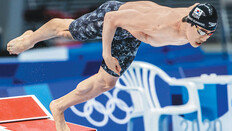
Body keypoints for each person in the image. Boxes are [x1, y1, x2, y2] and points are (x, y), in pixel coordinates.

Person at [7, 1, 218, 131]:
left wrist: (203, 26)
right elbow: (111, 18)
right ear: (187, 23)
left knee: (107, 82)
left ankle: (58, 107)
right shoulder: (158, 23)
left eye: (209, 34)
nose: (204, 38)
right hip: (117, 17)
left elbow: (199, 9)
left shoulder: (195, 20)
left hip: (134, 36)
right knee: (67, 31)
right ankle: (31, 38)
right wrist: (106, 54)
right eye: (201, 32)